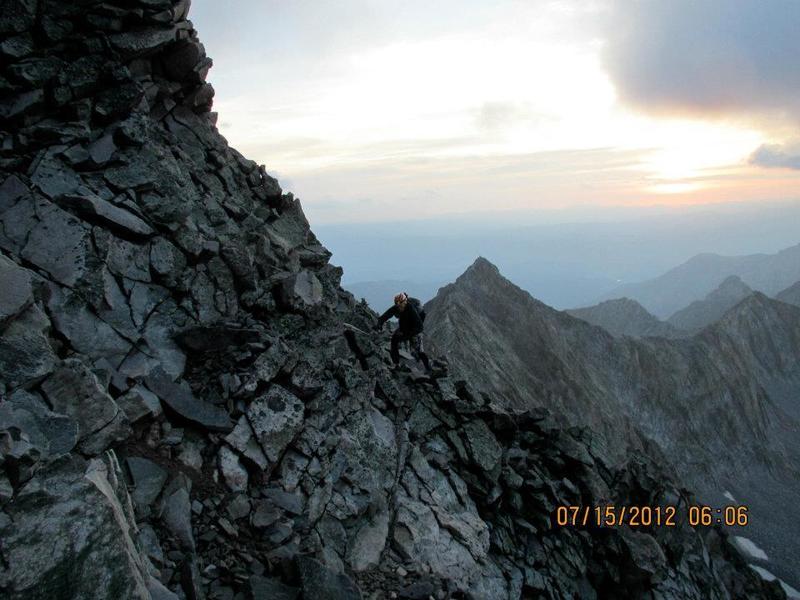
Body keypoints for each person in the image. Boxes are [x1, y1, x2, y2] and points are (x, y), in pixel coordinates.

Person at [375, 292, 431, 373]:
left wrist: (407, 335)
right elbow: (387, 314)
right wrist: (379, 323)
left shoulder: (411, 310)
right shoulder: (398, 306)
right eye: (397, 304)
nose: (399, 306)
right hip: (405, 328)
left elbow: (419, 327)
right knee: (394, 340)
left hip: (414, 330)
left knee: (419, 351)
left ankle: (428, 368)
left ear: (405, 302)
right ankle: (396, 364)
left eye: (400, 304)